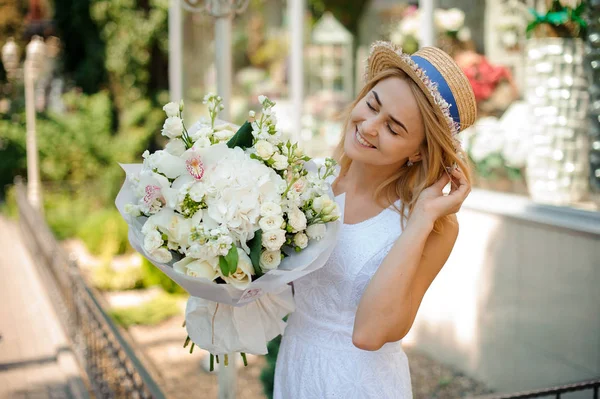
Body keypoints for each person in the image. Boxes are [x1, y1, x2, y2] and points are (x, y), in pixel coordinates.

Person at [273, 41, 476, 398]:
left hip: (361, 382)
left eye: (393, 128)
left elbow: (370, 334)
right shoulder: (308, 181)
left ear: (418, 151)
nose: (368, 127)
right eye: (372, 105)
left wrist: (422, 218)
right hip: (296, 362)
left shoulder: (434, 227)